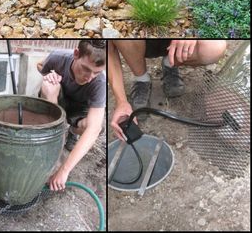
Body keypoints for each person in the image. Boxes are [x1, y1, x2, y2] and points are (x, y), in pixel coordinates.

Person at [108, 39, 227, 140]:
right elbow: (109, 50)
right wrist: (121, 102)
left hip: (175, 43)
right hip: (138, 43)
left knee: (214, 48)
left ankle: (170, 63)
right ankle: (142, 79)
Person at [37, 40, 106, 191]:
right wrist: (50, 75)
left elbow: (93, 129)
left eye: (97, 72)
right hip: (58, 99)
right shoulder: (59, 57)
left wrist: (64, 170)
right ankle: (52, 138)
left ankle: (72, 132)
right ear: (76, 54)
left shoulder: (99, 82)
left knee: (96, 127)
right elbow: (40, 65)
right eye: (86, 69)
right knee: (49, 86)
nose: (90, 77)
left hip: (79, 109)